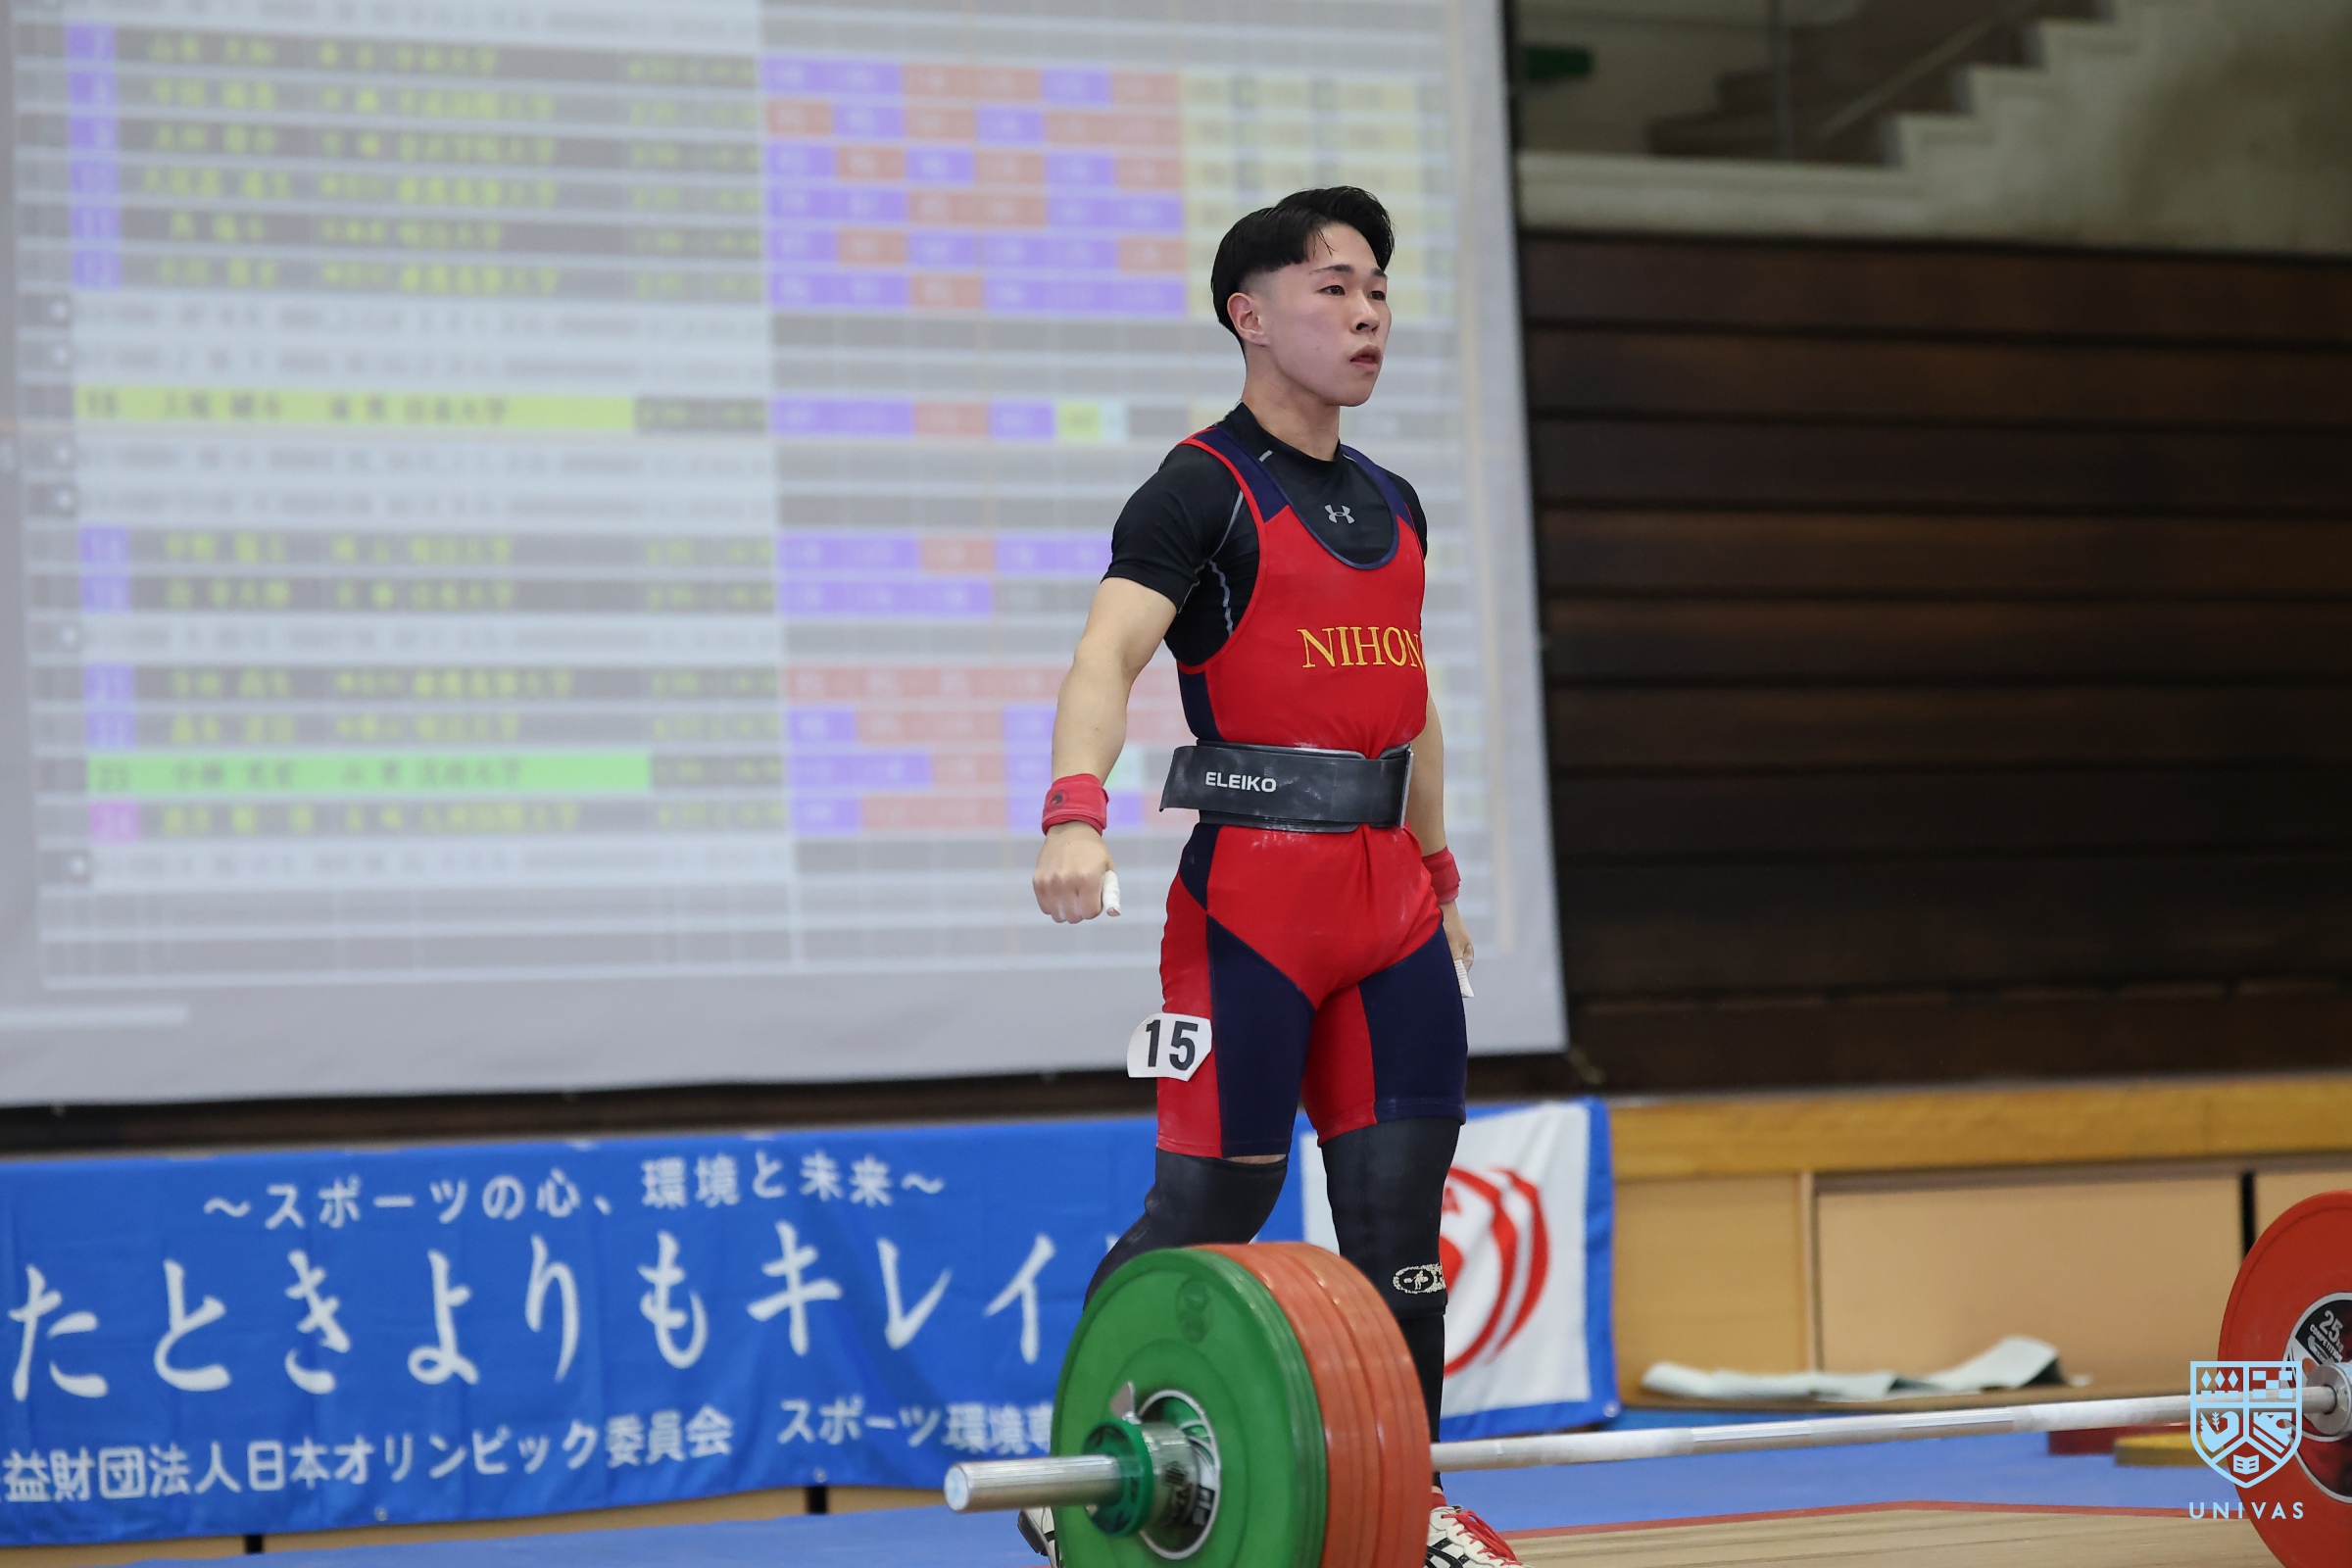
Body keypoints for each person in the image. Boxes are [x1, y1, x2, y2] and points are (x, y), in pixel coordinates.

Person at [1026, 187, 1521, 1568]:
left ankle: (1409, 1506)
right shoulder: (1199, 486)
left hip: (1391, 909)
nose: (1368, 315)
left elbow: (1412, 706)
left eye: (1379, 291)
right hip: (1250, 907)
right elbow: (1106, 656)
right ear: (1249, 315)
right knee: (1213, 1206)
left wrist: (1439, 872)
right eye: (1333, 288)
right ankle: (1075, 1475)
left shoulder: (1395, 501)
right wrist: (1074, 817)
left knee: (1399, 1228)